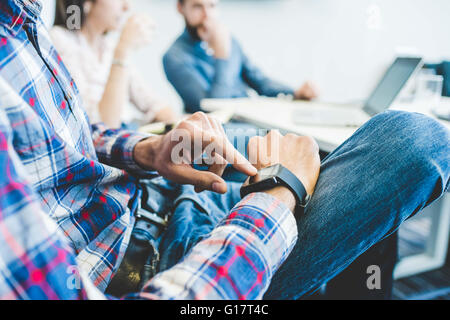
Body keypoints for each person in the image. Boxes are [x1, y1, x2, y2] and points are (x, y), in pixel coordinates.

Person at [0, 0, 449, 300]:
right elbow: (211, 96)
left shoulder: (21, 21)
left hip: (154, 191)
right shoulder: (174, 54)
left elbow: (70, 132)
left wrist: (148, 149)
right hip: (159, 259)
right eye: (200, 3)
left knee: (312, 152)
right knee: (415, 141)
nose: (125, 5)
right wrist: (278, 193)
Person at [163, 0, 318, 114]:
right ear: (180, 7)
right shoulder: (174, 57)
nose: (207, 15)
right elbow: (210, 109)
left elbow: (260, 82)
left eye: (212, 6)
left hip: (252, 116)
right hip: (222, 134)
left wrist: (295, 92)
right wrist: (222, 55)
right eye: (198, 6)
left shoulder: (228, 40)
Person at [51, 0, 177, 128]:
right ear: (87, 2)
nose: (126, 7)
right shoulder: (60, 40)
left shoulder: (108, 46)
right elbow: (100, 126)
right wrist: (123, 49)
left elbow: (153, 103)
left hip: (126, 134)